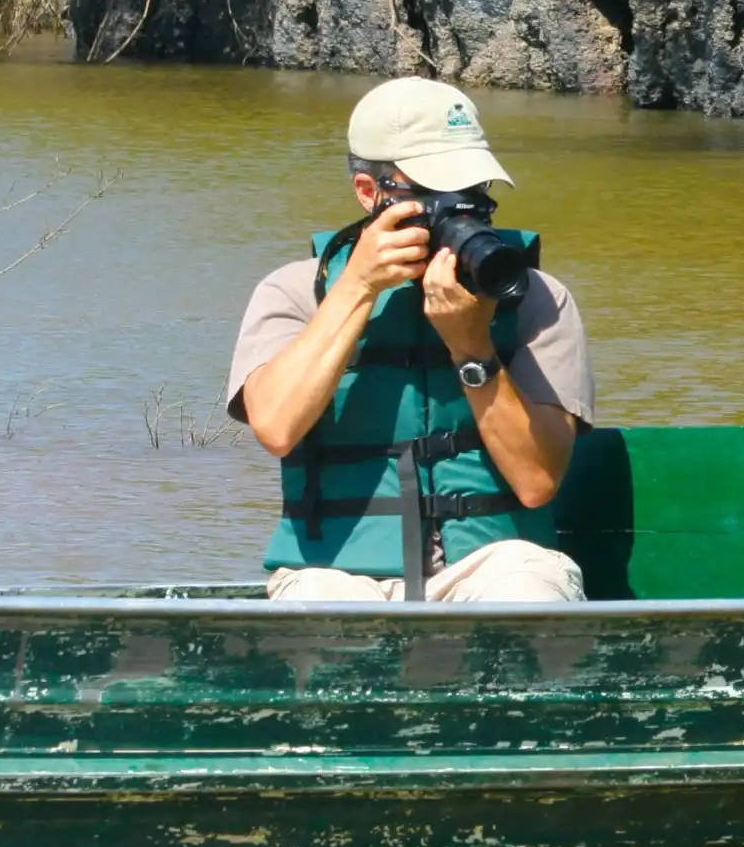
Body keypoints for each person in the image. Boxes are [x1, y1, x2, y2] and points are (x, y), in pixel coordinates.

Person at [228, 77, 592, 601]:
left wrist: (473, 348)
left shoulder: (534, 298)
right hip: (336, 569)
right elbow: (277, 428)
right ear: (369, 193)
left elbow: (537, 481)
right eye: (431, 193)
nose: (457, 211)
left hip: (489, 562)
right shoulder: (295, 292)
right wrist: (357, 288)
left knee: (529, 591)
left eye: (471, 192)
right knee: (327, 610)